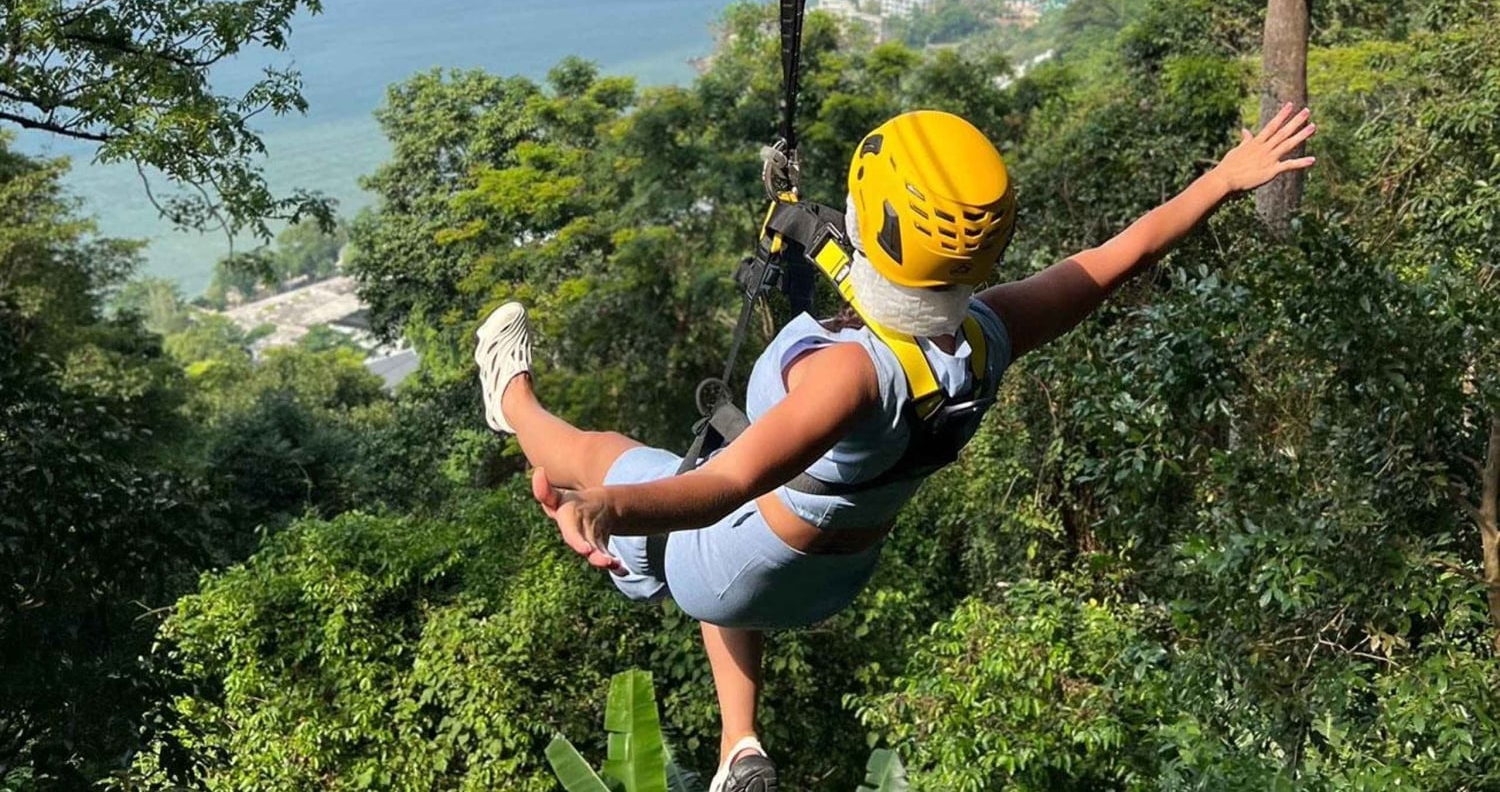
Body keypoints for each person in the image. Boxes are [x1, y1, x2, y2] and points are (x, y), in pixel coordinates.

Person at [474, 105, 1316, 792]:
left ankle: (510, 403)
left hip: (728, 552)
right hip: (827, 578)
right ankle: (741, 748)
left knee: (603, 454)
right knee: (730, 577)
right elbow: (1110, 261)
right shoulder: (988, 335)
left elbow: (728, 481)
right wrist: (1224, 179)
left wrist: (611, 503)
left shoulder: (850, 376)